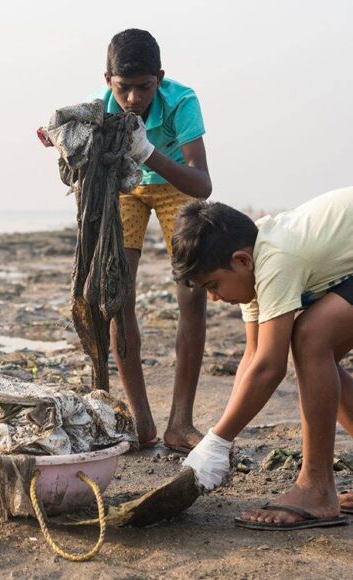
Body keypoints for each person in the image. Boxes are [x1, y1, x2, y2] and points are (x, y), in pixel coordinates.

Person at [170, 186, 353, 530]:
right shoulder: (254, 259)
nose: (214, 297)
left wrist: (218, 440)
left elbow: (271, 367)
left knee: (311, 337)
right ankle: (317, 485)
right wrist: (219, 437)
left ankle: (316, 487)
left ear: (241, 261)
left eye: (213, 285)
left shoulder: (277, 259)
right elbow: (253, 358)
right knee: (318, 360)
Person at [87, 29, 212, 450]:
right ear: (108, 80)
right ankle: (142, 422)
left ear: (159, 77)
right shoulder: (101, 109)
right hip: (126, 187)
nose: (134, 99)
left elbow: (201, 184)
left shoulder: (181, 102)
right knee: (118, 296)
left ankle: (180, 423)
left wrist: (148, 153)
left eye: (144, 87)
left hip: (175, 184)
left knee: (192, 295)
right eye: (124, 89)